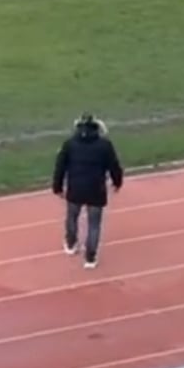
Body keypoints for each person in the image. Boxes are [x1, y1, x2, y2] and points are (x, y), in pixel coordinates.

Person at [52, 113, 123, 269]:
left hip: (75, 187)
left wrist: (57, 187)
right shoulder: (105, 145)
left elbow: (60, 166)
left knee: (72, 217)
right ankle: (90, 257)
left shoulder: (70, 144)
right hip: (96, 189)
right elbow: (114, 165)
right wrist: (117, 182)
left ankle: (71, 244)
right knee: (94, 224)